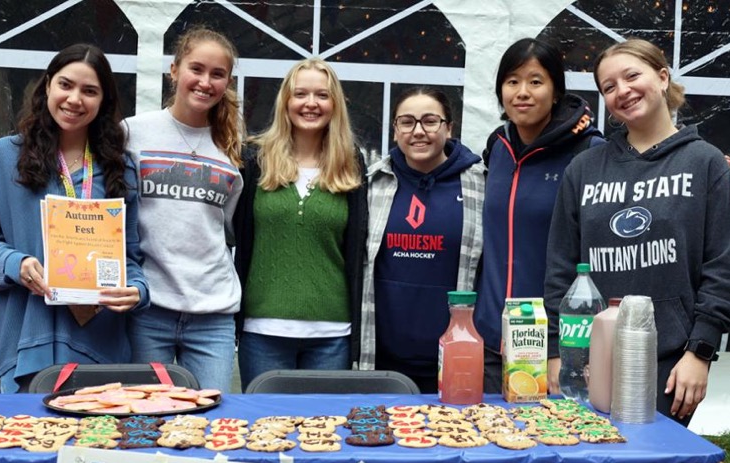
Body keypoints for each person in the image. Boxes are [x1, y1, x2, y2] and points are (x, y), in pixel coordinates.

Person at [544, 38, 730, 463]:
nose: (621, 92)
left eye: (631, 77)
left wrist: (701, 350)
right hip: (588, 354)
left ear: (662, 77)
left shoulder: (705, 164)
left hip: (668, 354)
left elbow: (724, 268)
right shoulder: (585, 171)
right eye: (608, 87)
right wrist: (554, 351)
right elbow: (561, 270)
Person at [0, 44, 147, 463]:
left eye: (90, 90)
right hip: (28, 342)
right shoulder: (6, 155)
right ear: (47, 87)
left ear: (104, 100)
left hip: (102, 348)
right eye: (66, 84)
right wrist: (18, 264)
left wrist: (137, 291)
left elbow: (131, 259)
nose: (75, 98)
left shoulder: (119, 168)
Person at [473, 37, 604, 394]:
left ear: (556, 90)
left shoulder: (588, 152)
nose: (522, 92)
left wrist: (565, 345)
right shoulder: (497, 147)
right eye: (512, 81)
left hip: (553, 344)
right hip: (490, 338)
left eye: (535, 81)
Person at [233, 58, 368, 388]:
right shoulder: (254, 159)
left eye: (322, 95)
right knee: (266, 432)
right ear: (286, 101)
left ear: (334, 104)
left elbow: (358, 248)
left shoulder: (352, 163)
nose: (311, 104)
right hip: (263, 331)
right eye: (301, 94)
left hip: (332, 334)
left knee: (323, 432)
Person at [123, 26, 243, 392]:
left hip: (214, 313)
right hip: (149, 308)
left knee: (210, 423)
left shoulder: (233, 147)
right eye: (197, 69)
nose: (205, 81)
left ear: (227, 82)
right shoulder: (131, 133)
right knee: (146, 420)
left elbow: (228, 227)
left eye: (217, 74)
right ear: (174, 70)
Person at [358, 87, 485, 393]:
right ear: (395, 129)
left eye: (430, 121)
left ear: (449, 127)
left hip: (454, 355)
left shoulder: (481, 184)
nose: (418, 132)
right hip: (382, 357)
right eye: (406, 122)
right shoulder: (373, 184)